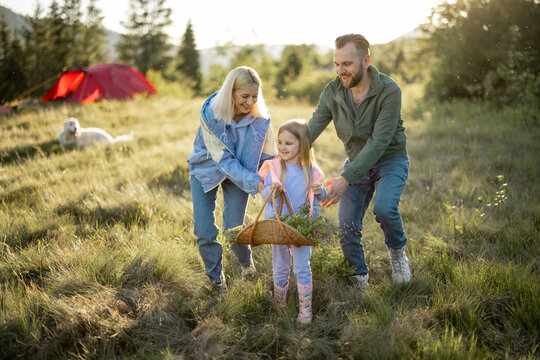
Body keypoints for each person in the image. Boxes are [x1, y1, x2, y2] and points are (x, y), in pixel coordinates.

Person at [307, 34, 412, 293]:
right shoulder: (332, 92)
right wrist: (283, 156)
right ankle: (359, 277)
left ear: (366, 61)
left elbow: (379, 142)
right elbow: (311, 129)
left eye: (348, 64)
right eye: (336, 63)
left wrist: (346, 178)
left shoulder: (389, 90)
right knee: (346, 226)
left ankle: (397, 253)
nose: (341, 70)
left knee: (385, 209)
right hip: (356, 162)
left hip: (390, 160)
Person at [188, 66, 277, 292]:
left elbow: (269, 158)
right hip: (207, 168)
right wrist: (253, 180)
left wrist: (270, 180)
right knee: (204, 230)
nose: (250, 102)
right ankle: (216, 280)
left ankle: (246, 264)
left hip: (242, 172)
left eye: (255, 96)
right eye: (244, 96)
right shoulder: (212, 115)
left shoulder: (260, 121)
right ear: (231, 93)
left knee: (233, 228)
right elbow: (224, 161)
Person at [258, 119, 326, 324]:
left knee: (302, 267)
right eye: (280, 142)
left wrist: (321, 191)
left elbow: (319, 199)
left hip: (301, 228)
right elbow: (265, 197)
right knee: (280, 266)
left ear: (302, 145)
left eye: (289, 143)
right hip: (279, 226)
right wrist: (272, 190)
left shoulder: (311, 170)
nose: (282, 147)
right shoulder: (276, 168)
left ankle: (305, 311)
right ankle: (279, 304)